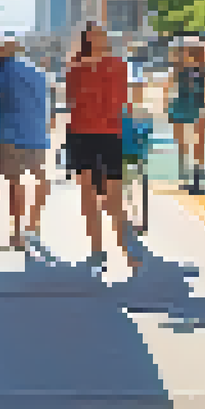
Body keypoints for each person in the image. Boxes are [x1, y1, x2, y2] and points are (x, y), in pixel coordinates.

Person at [58, 23, 139, 276]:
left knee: (113, 195)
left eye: (102, 34)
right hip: (81, 133)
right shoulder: (75, 67)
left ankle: (126, 249)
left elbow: (120, 100)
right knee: (87, 193)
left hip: (109, 134)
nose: (99, 38)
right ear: (87, 39)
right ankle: (96, 250)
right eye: (94, 34)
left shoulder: (118, 65)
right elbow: (72, 100)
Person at [0, 39, 51, 251]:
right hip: (38, 134)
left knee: (15, 183)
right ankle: (35, 224)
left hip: (12, 134)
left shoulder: (2, 72)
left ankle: (17, 234)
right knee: (40, 176)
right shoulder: (39, 73)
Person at [165, 37, 205, 193]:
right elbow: (169, 87)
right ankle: (188, 177)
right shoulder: (178, 68)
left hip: (197, 107)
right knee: (184, 144)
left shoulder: (204, 70)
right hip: (183, 106)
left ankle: (194, 178)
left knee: (196, 143)